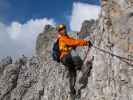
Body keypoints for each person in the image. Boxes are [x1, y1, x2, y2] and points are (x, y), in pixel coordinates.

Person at [56, 24, 93, 97]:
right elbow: (73, 42)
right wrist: (86, 42)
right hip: (66, 57)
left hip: (65, 60)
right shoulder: (62, 38)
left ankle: (72, 92)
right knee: (72, 52)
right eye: (61, 30)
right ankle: (83, 68)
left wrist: (75, 44)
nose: (63, 30)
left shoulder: (66, 38)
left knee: (72, 73)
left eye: (64, 29)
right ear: (59, 32)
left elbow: (74, 41)